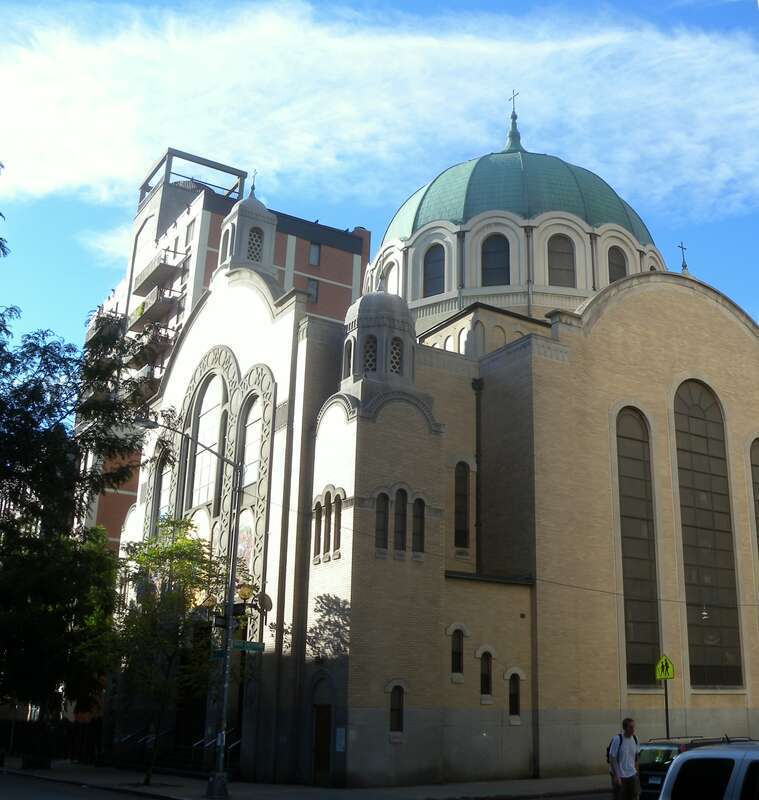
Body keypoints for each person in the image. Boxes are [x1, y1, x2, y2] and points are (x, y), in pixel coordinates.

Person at [608, 717, 640, 800]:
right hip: (620, 775)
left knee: (634, 796)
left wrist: (636, 772)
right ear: (625, 728)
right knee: (620, 797)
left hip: (632, 774)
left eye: (634, 727)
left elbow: (636, 757)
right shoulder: (618, 739)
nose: (633, 729)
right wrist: (616, 776)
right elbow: (612, 758)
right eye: (631, 727)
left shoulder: (635, 739)